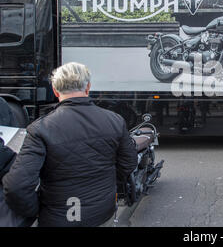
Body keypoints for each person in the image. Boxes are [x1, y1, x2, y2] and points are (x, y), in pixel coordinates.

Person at [2, 62, 138, 227]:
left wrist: (36, 210)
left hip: (58, 217)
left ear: (55, 90)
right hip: (102, 213)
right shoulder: (115, 120)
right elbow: (129, 162)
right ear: (87, 87)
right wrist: (106, 186)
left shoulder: (40, 129)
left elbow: (17, 186)